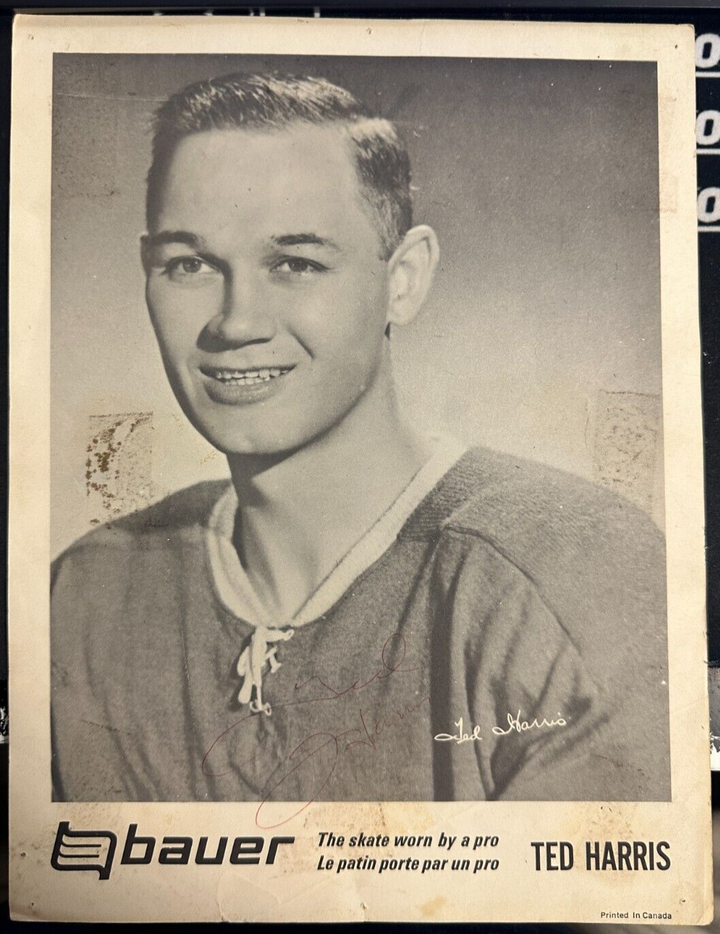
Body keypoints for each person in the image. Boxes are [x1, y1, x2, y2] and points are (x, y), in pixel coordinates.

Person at [51, 72, 670, 809]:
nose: (235, 321)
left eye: (296, 263)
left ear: (403, 280)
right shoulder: (86, 591)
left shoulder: (571, 568)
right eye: (189, 264)